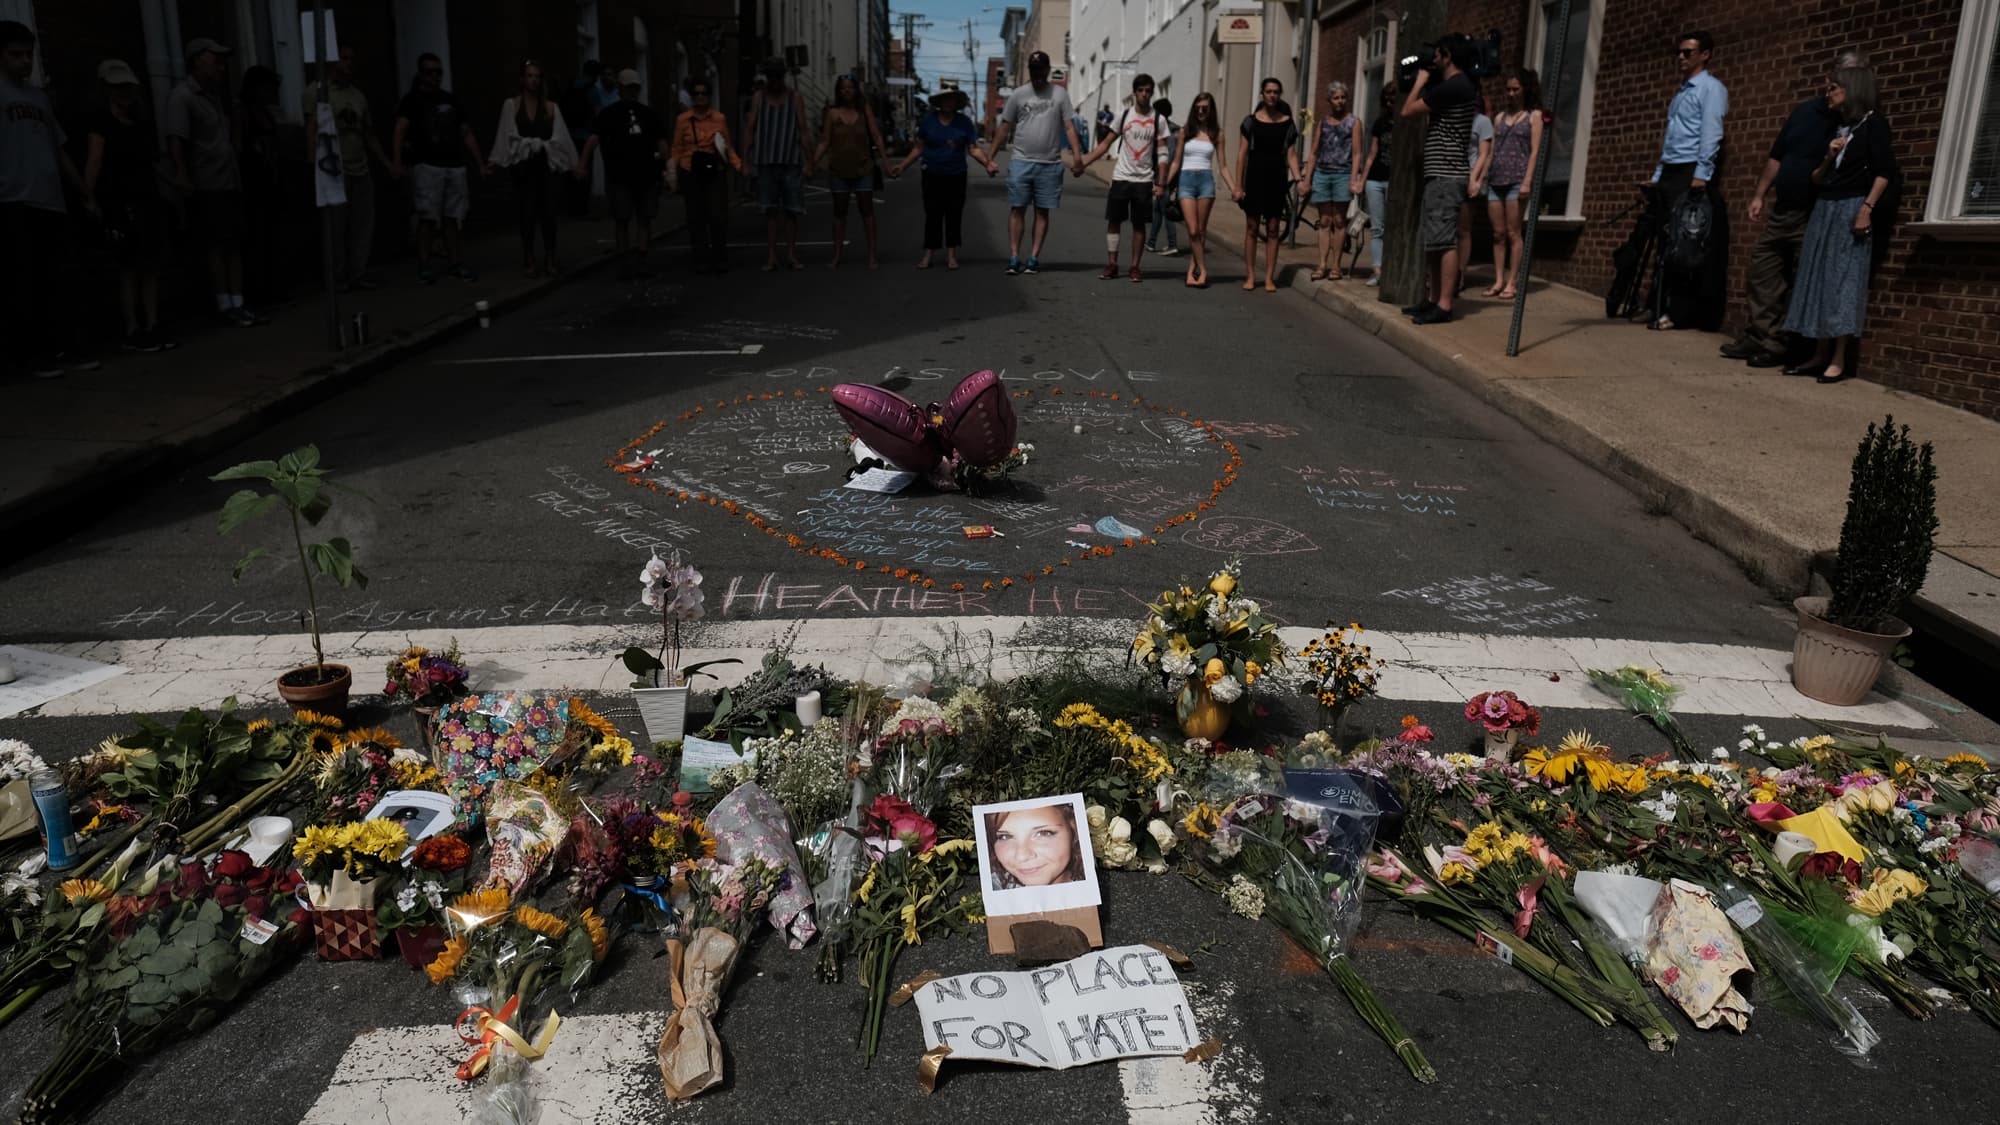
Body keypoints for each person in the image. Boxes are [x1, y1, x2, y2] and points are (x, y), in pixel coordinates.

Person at [1724, 50, 1865, 368]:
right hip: (1782, 209)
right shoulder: (1803, 112)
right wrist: (1760, 194)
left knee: (1801, 279)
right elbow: (1778, 155)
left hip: (1814, 213)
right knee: (1763, 271)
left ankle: (1780, 344)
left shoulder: (1851, 122)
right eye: (1836, 77)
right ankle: (1760, 334)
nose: (1836, 85)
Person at [1780, 66, 1896, 386]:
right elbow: (1816, 179)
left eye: (1833, 88)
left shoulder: (1873, 125)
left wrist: (1866, 209)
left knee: (1844, 281)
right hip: (1825, 206)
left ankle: (1838, 358)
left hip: (1851, 205)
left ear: (1852, 89)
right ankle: (1818, 352)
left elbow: (1884, 172)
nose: (1828, 94)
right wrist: (1829, 156)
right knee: (1818, 276)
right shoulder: (1840, 127)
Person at [2, 20, 94, 377]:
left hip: (50, 201)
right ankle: (34, 354)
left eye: (29, 55)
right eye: (16, 55)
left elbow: (60, 149)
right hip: (14, 201)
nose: (25, 62)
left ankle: (63, 348)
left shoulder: (38, 97)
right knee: (26, 284)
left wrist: (85, 194)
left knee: (60, 281)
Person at [167, 37, 263, 325]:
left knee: (234, 242)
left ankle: (238, 300)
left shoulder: (217, 98)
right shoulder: (183, 96)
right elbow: (177, 140)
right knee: (216, 245)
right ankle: (224, 304)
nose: (221, 66)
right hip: (207, 183)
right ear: (197, 60)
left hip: (229, 180)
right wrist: (183, 175)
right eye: (215, 60)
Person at [1640, 31, 1729, 331]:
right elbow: (1671, 139)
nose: (1681, 57)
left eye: (1687, 52)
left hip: (1690, 172)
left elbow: (1711, 133)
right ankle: (1656, 306)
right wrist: (1657, 175)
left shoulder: (1711, 89)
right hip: (1670, 171)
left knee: (1684, 245)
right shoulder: (1681, 92)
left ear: (1705, 55)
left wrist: (1701, 175)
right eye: (1678, 52)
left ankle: (1677, 312)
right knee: (1664, 242)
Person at [86, 59, 173, 352]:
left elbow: (153, 162)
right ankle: (133, 328)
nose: (124, 93)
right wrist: (89, 195)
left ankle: (152, 324)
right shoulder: (101, 122)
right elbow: (94, 160)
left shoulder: (139, 123)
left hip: (145, 198)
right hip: (121, 201)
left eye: (127, 88)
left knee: (149, 265)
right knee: (129, 267)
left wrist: (173, 186)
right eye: (117, 88)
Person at [1399, 37, 1478, 324]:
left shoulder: (1456, 86)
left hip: (1447, 174)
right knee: (1433, 240)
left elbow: (1407, 111)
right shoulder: (1456, 86)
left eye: (1438, 55)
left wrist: (1420, 81)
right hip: (1440, 173)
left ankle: (1444, 305)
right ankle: (1432, 299)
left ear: (1448, 56)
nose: (1433, 60)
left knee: (1444, 242)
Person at [305, 45, 395, 291]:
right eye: (344, 59)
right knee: (335, 226)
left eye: (351, 59)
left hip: (360, 166)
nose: (349, 64)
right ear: (333, 61)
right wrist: (312, 161)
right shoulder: (318, 92)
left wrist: (386, 162)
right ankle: (338, 276)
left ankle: (358, 272)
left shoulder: (358, 96)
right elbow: (311, 128)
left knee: (362, 223)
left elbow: (368, 133)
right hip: (334, 168)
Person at [393, 53, 487, 283]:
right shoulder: (411, 100)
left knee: (452, 218)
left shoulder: (451, 100)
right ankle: (425, 266)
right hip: (427, 165)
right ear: (421, 73)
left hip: (453, 165)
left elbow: (466, 132)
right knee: (427, 217)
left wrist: (480, 163)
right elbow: (399, 131)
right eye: (429, 72)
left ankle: (455, 263)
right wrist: (397, 162)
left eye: (438, 72)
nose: (434, 76)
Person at [993, 51, 1084, 276]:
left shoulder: (1060, 94)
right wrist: (990, 156)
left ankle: (1033, 257)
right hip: (1021, 161)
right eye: (1033, 70)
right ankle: (1014, 257)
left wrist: (1078, 157)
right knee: (1017, 209)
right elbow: (1004, 126)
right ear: (1030, 70)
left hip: (1050, 164)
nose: (1038, 74)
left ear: (1047, 69)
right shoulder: (1018, 94)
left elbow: (1070, 127)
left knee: (1042, 212)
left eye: (1041, 69)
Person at [576, 70, 669, 279]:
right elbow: (593, 139)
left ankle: (641, 259)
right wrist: (582, 164)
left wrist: (667, 168)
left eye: (635, 88)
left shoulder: (648, 114)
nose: (632, 92)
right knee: (622, 218)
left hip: (646, 175)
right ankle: (625, 260)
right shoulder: (609, 114)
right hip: (620, 176)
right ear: (621, 88)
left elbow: (661, 142)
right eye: (629, 88)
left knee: (644, 218)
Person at [887, 89, 996, 270]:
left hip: (956, 175)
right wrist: (903, 166)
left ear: (956, 102)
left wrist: (988, 164)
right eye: (945, 99)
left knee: (954, 214)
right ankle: (929, 253)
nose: (948, 102)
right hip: (932, 174)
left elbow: (973, 149)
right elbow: (918, 148)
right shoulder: (928, 121)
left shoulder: (964, 123)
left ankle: (952, 255)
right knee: (933, 214)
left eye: (951, 99)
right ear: (939, 101)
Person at [491, 60, 577, 278]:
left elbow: (561, 138)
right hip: (524, 167)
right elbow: (506, 136)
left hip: (545, 165)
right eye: (529, 76)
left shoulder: (550, 108)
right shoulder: (512, 105)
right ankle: (528, 256)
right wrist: (496, 159)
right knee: (526, 214)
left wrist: (572, 163)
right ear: (522, 79)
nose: (533, 80)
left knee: (549, 213)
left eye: (537, 76)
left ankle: (550, 257)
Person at [1078, 73, 1166, 282]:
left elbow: (1163, 154)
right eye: (1141, 90)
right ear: (1135, 93)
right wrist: (1085, 162)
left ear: (1151, 93)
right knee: (1114, 221)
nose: (1144, 94)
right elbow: (1105, 144)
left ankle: (1135, 267)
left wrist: (1161, 182)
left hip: (1144, 180)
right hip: (1121, 177)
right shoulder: (1124, 116)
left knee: (1139, 224)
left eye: (1148, 91)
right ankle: (1112, 264)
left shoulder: (1157, 119)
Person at [743, 58, 816, 271]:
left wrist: (809, 161)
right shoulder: (759, 98)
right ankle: (772, 255)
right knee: (770, 211)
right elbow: (750, 128)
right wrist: (745, 160)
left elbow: (803, 130)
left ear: (783, 77)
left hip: (790, 160)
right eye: (771, 77)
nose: (774, 81)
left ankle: (791, 254)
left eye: (778, 76)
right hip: (766, 160)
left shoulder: (794, 98)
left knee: (792, 210)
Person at [1234, 77, 1301, 293]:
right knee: (1252, 227)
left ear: (1280, 95)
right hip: (1254, 178)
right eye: (1269, 91)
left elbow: (1291, 156)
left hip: (1277, 179)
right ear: (1262, 94)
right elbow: (1242, 155)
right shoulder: (1250, 122)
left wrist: (1299, 179)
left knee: (1273, 228)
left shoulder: (1288, 123)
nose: (1272, 95)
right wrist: (1237, 185)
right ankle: (1251, 275)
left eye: (1276, 92)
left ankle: (1270, 277)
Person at [813, 75, 888, 269]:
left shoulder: (864, 110)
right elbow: (824, 141)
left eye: (850, 88)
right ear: (838, 91)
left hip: (863, 168)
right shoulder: (832, 114)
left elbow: (876, 136)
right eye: (843, 88)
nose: (847, 91)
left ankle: (872, 256)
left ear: (856, 90)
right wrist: (811, 163)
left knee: (867, 211)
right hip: (839, 170)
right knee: (839, 213)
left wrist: (886, 162)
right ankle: (837, 255)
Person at [669, 77, 742, 274]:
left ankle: (720, 257)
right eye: (696, 93)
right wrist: (672, 173)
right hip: (690, 171)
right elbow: (677, 147)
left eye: (704, 93)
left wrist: (738, 165)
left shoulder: (719, 119)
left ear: (709, 96)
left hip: (714, 170)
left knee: (717, 216)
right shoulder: (682, 120)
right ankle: (700, 258)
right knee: (696, 216)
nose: (700, 97)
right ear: (692, 97)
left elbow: (727, 146)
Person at [1481, 70, 1543, 300]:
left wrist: (1527, 180)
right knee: (1497, 233)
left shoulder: (1533, 116)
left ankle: (1512, 281)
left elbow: (1535, 151)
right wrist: (1482, 177)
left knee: (1513, 232)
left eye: (1515, 89)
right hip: (1496, 179)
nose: (1511, 93)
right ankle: (1498, 279)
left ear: (1525, 89)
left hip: (1517, 179)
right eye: (1508, 89)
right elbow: (1492, 151)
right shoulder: (1499, 118)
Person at [1163, 91, 1234, 288]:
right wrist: (1163, 184)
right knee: (1192, 230)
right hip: (1186, 180)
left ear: (1211, 110)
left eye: (1205, 108)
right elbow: (1176, 163)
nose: (1201, 111)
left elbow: (1223, 166)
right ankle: (1203, 269)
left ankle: (1191, 271)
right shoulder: (1185, 132)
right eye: (1198, 108)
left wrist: (1234, 188)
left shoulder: (1217, 134)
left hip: (1205, 182)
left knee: (1201, 230)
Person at [236, 65, 287, 305]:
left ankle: (273, 287)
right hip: (254, 183)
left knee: (272, 236)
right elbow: (242, 149)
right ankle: (260, 291)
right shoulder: (244, 112)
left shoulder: (264, 112)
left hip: (269, 181)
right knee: (257, 238)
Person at [1308, 81, 1359, 281]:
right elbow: (1313, 152)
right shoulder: (1323, 123)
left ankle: (1336, 265)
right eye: (1336, 97)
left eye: (1343, 97)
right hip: (1323, 172)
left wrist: (1353, 180)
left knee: (1339, 220)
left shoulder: (1353, 122)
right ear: (1329, 100)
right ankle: (1321, 264)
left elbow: (1356, 153)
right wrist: (1307, 178)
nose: (1340, 101)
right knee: (1324, 221)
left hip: (1343, 174)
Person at [986, 805, 1086, 889]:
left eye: (1043, 833)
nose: (1022, 856)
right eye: (1004, 837)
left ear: (1074, 830)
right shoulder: (992, 886)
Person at [1455, 102, 1493, 297]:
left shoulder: (1482, 121)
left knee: (1463, 229)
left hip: (1470, 177)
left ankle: (1459, 275)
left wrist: (1478, 180)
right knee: (1446, 229)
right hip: (1451, 176)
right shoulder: (1453, 116)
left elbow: (1486, 155)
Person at [1360, 84, 1395, 286]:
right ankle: (1378, 270)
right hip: (1375, 180)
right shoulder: (1380, 123)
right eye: (1387, 97)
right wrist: (1362, 180)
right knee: (1377, 228)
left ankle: (1391, 269)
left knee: (1393, 227)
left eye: (1393, 96)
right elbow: (1372, 154)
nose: (1390, 100)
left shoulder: (1407, 121)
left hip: (1394, 181)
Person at [1144, 97, 1179, 256]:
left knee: (1165, 210)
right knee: (1157, 209)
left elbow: (1169, 156)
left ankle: (1172, 244)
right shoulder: (1173, 129)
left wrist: (1163, 180)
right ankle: (1151, 243)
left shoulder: (1170, 132)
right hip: (1163, 175)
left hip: (1165, 177)